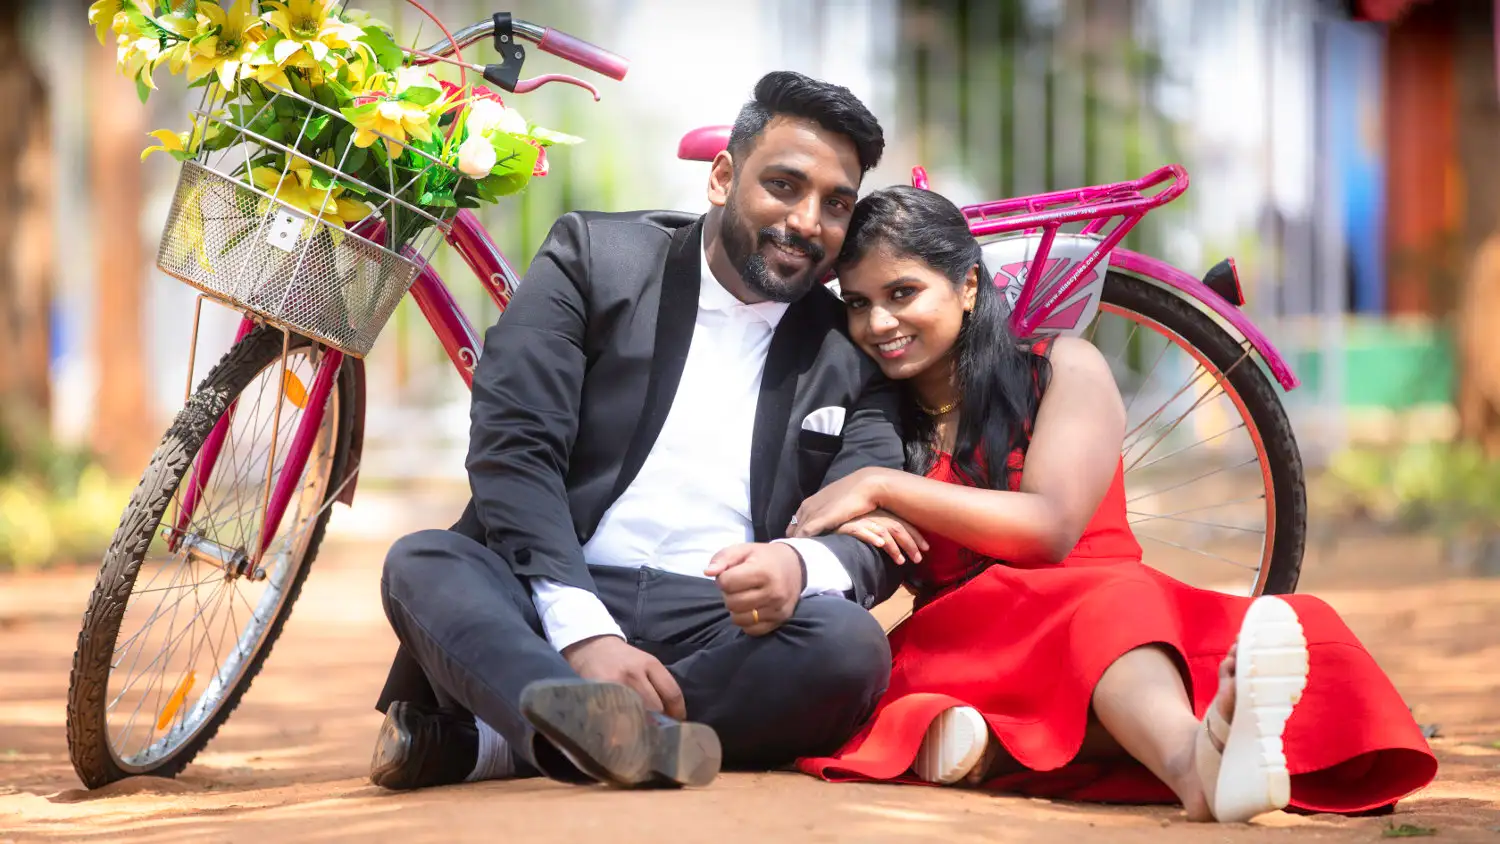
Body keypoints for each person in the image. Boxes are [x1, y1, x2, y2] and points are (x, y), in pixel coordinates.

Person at [790, 186, 1439, 822]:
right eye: (858, 303)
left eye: (902, 293)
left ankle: (1028, 747)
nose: (878, 323)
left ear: (965, 285)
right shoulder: (874, 419)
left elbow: (1048, 529)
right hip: (967, 640)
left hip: (1105, 610)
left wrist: (883, 486)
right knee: (1105, 623)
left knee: (1254, 628)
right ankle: (1199, 765)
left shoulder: (1063, 367)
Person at [367, 71, 911, 792]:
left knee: (848, 646)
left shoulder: (851, 346)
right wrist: (585, 635)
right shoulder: (595, 259)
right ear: (723, 178)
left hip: (726, 624)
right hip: (556, 587)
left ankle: (513, 738)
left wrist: (800, 568)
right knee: (426, 563)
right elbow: (513, 447)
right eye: (784, 186)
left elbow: (877, 525)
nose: (809, 221)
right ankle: (614, 726)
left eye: (835, 204)